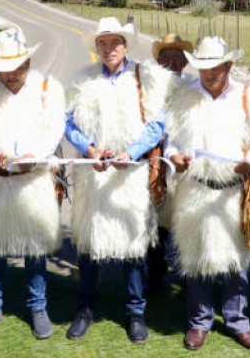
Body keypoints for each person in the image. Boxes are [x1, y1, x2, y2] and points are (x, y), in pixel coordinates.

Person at [165, 36, 250, 352]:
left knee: (236, 260)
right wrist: (175, 156)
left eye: (214, 67)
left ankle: (238, 321)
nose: (208, 73)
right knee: (196, 257)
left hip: (234, 192)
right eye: (203, 67)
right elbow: (172, 140)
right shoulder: (185, 97)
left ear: (229, 65)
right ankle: (199, 322)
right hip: (196, 188)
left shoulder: (249, 97)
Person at [65, 17, 171, 344]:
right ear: (96, 48)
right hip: (93, 175)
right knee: (89, 242)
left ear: (125, 45)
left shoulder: (146, 78)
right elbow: (68, 123)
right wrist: (89, 149)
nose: (109, 49)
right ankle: (85, 308)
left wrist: (133, 152)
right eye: (103, 43)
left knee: (134, 243)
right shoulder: (82, 80)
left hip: (131, 175)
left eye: (115, 42)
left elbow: (157, 125)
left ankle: (135, 311)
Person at [0, 29, 65, 340]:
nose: (11, 75)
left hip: (32, 179)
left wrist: (40, 155)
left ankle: (38, 306)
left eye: (17, 68)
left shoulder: (48, 89)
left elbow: (55, 128)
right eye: (5, 70)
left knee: (35, 246)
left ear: (27, 62)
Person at [146, 33, 194, 294]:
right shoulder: (149, 86)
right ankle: (155, 272)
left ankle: (187, 274)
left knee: (183, 217)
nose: (173, 61)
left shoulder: (194, 87)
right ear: (159, 60)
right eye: (167, 56)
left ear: (186, 62)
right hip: (154, 158)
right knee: (155, 218)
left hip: (184, 160)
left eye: (178, 57)